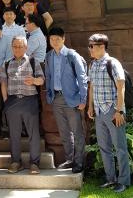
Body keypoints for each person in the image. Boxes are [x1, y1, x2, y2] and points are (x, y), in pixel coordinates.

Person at [87, 33, 130, 193]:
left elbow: (121, 87)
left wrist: (119, 111)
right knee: (104, 147)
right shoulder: (92, 65)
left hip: (113, 111)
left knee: (120, 147)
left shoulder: (113, 63)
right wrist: (90, 106)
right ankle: (111, 179)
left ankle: (124, 181)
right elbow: (91, 87)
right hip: (98, 112)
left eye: (91, 46)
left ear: (101, 47)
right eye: (89, 46)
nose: (89, 49)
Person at [45, 28, 88, 174]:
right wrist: (49, 95)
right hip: (56, 98)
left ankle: (79, 162)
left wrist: (83, 99)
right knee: (64, 132)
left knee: (77, 132)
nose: (54, 41)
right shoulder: (49, 56)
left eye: (57, 39)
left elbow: (82, 78)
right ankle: (70, 159)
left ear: (63, 39)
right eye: (52, 39)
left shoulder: (71, 55)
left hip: (72, 99)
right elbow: (48, 77)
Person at [0, 36, 44, 175]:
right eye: (15, 46)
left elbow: (42, 80)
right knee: (14, 134)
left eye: (20, 46)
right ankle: (15, 162)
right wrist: (6, 101)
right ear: (11, 48)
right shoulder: (6, 63)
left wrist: (35, 80)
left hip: (30, 100)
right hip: (12, 102)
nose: (17, 49)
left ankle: (35, 163)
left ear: (26, 48)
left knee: (33, 134)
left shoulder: (33, 61)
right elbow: (3, 83)